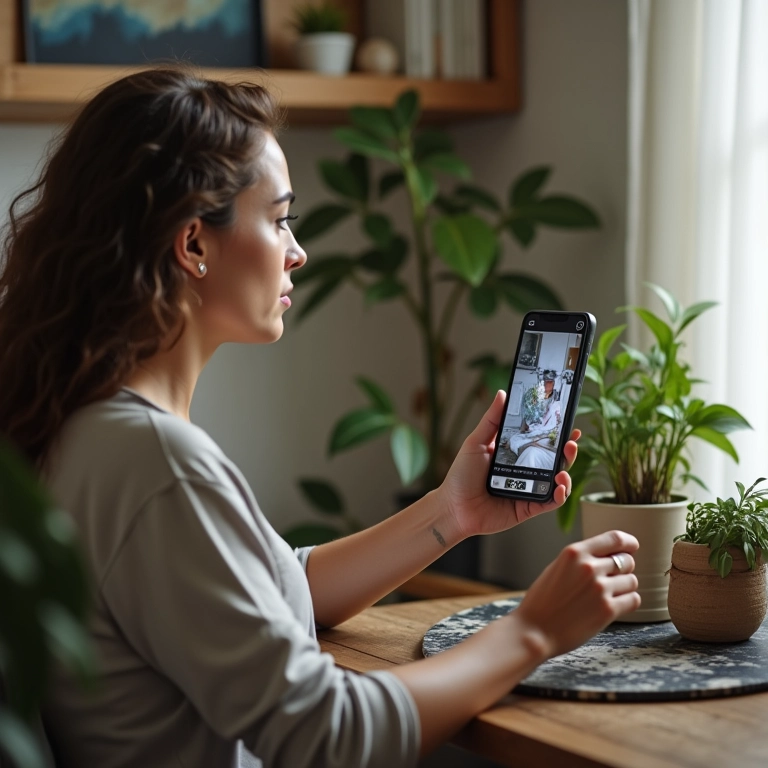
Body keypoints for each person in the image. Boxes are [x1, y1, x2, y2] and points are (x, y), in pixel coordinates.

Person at [0, 67, 641, 768]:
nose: (298, 251)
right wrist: (533, 632)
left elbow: (272, 590)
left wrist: (449, 513)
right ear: (193, 245)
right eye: (278, 220)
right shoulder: (157, 465)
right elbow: (327, 735)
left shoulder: (87, 429)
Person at [510, 370, 562, 469]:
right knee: (516, 439)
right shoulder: (534, 394)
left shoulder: (555, 399)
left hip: (544, 428)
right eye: (546, 381)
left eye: (550, 381)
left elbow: (553, 419)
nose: (548, 383)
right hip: (534, 426)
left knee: (535, 443)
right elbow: (529, 415)